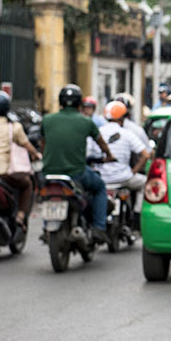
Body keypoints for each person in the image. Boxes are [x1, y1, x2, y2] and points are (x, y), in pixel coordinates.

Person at [42, 84, 116, 241]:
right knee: (100, 187)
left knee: (47, 195)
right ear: (79, 104)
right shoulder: (86, 122)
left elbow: (43, 143)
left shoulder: (47, 120)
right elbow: (102, 144)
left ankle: (46, 227)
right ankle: (99, 227)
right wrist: (109, 155)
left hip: (49, 173)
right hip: (76, 173)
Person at [0, 91, 41, 229]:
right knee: (27, 184)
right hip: (4, 174)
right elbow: (27, 146)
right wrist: (36, 155)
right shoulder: (14, 127)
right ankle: (20, 216)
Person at [94, 100, 149, 195]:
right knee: (148, 183)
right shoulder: (127, 133)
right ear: (122, 118)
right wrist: (133, 172)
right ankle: (137, 209)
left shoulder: (97, 132)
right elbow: (145, 155)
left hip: (101, 178)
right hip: (124, 177)